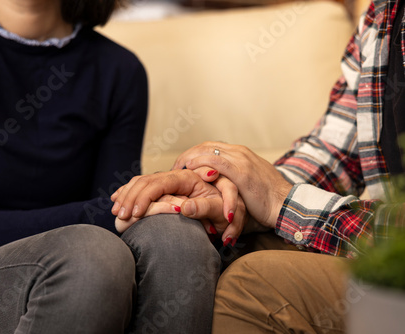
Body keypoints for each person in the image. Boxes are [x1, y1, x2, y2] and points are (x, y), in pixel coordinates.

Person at [0, 0, 220, 333]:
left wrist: (179, 200)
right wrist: (111, 213)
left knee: (178, 234)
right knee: (92, 256)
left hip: (67, 263)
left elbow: (117, 211)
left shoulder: (119, 70)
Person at [112, 0, 405, 332]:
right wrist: (235, 198)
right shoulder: (384, 12)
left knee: (252, 287)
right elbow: (335, 152)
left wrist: (281, 201)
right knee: (219, 241)